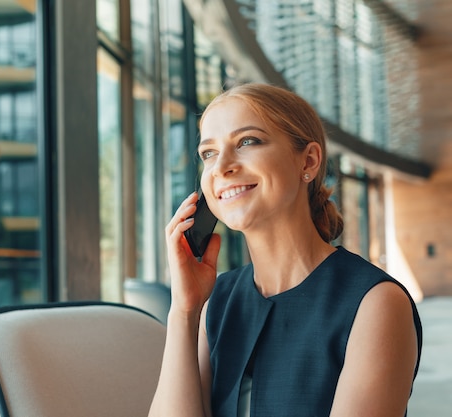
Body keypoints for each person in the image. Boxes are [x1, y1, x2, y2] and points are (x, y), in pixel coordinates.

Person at [148, 83, 422, 417]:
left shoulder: (374, 303)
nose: (221, 167)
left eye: (247, 141)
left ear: (308, 160)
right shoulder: (216, 303)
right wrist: (183, 312)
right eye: (209, 153)